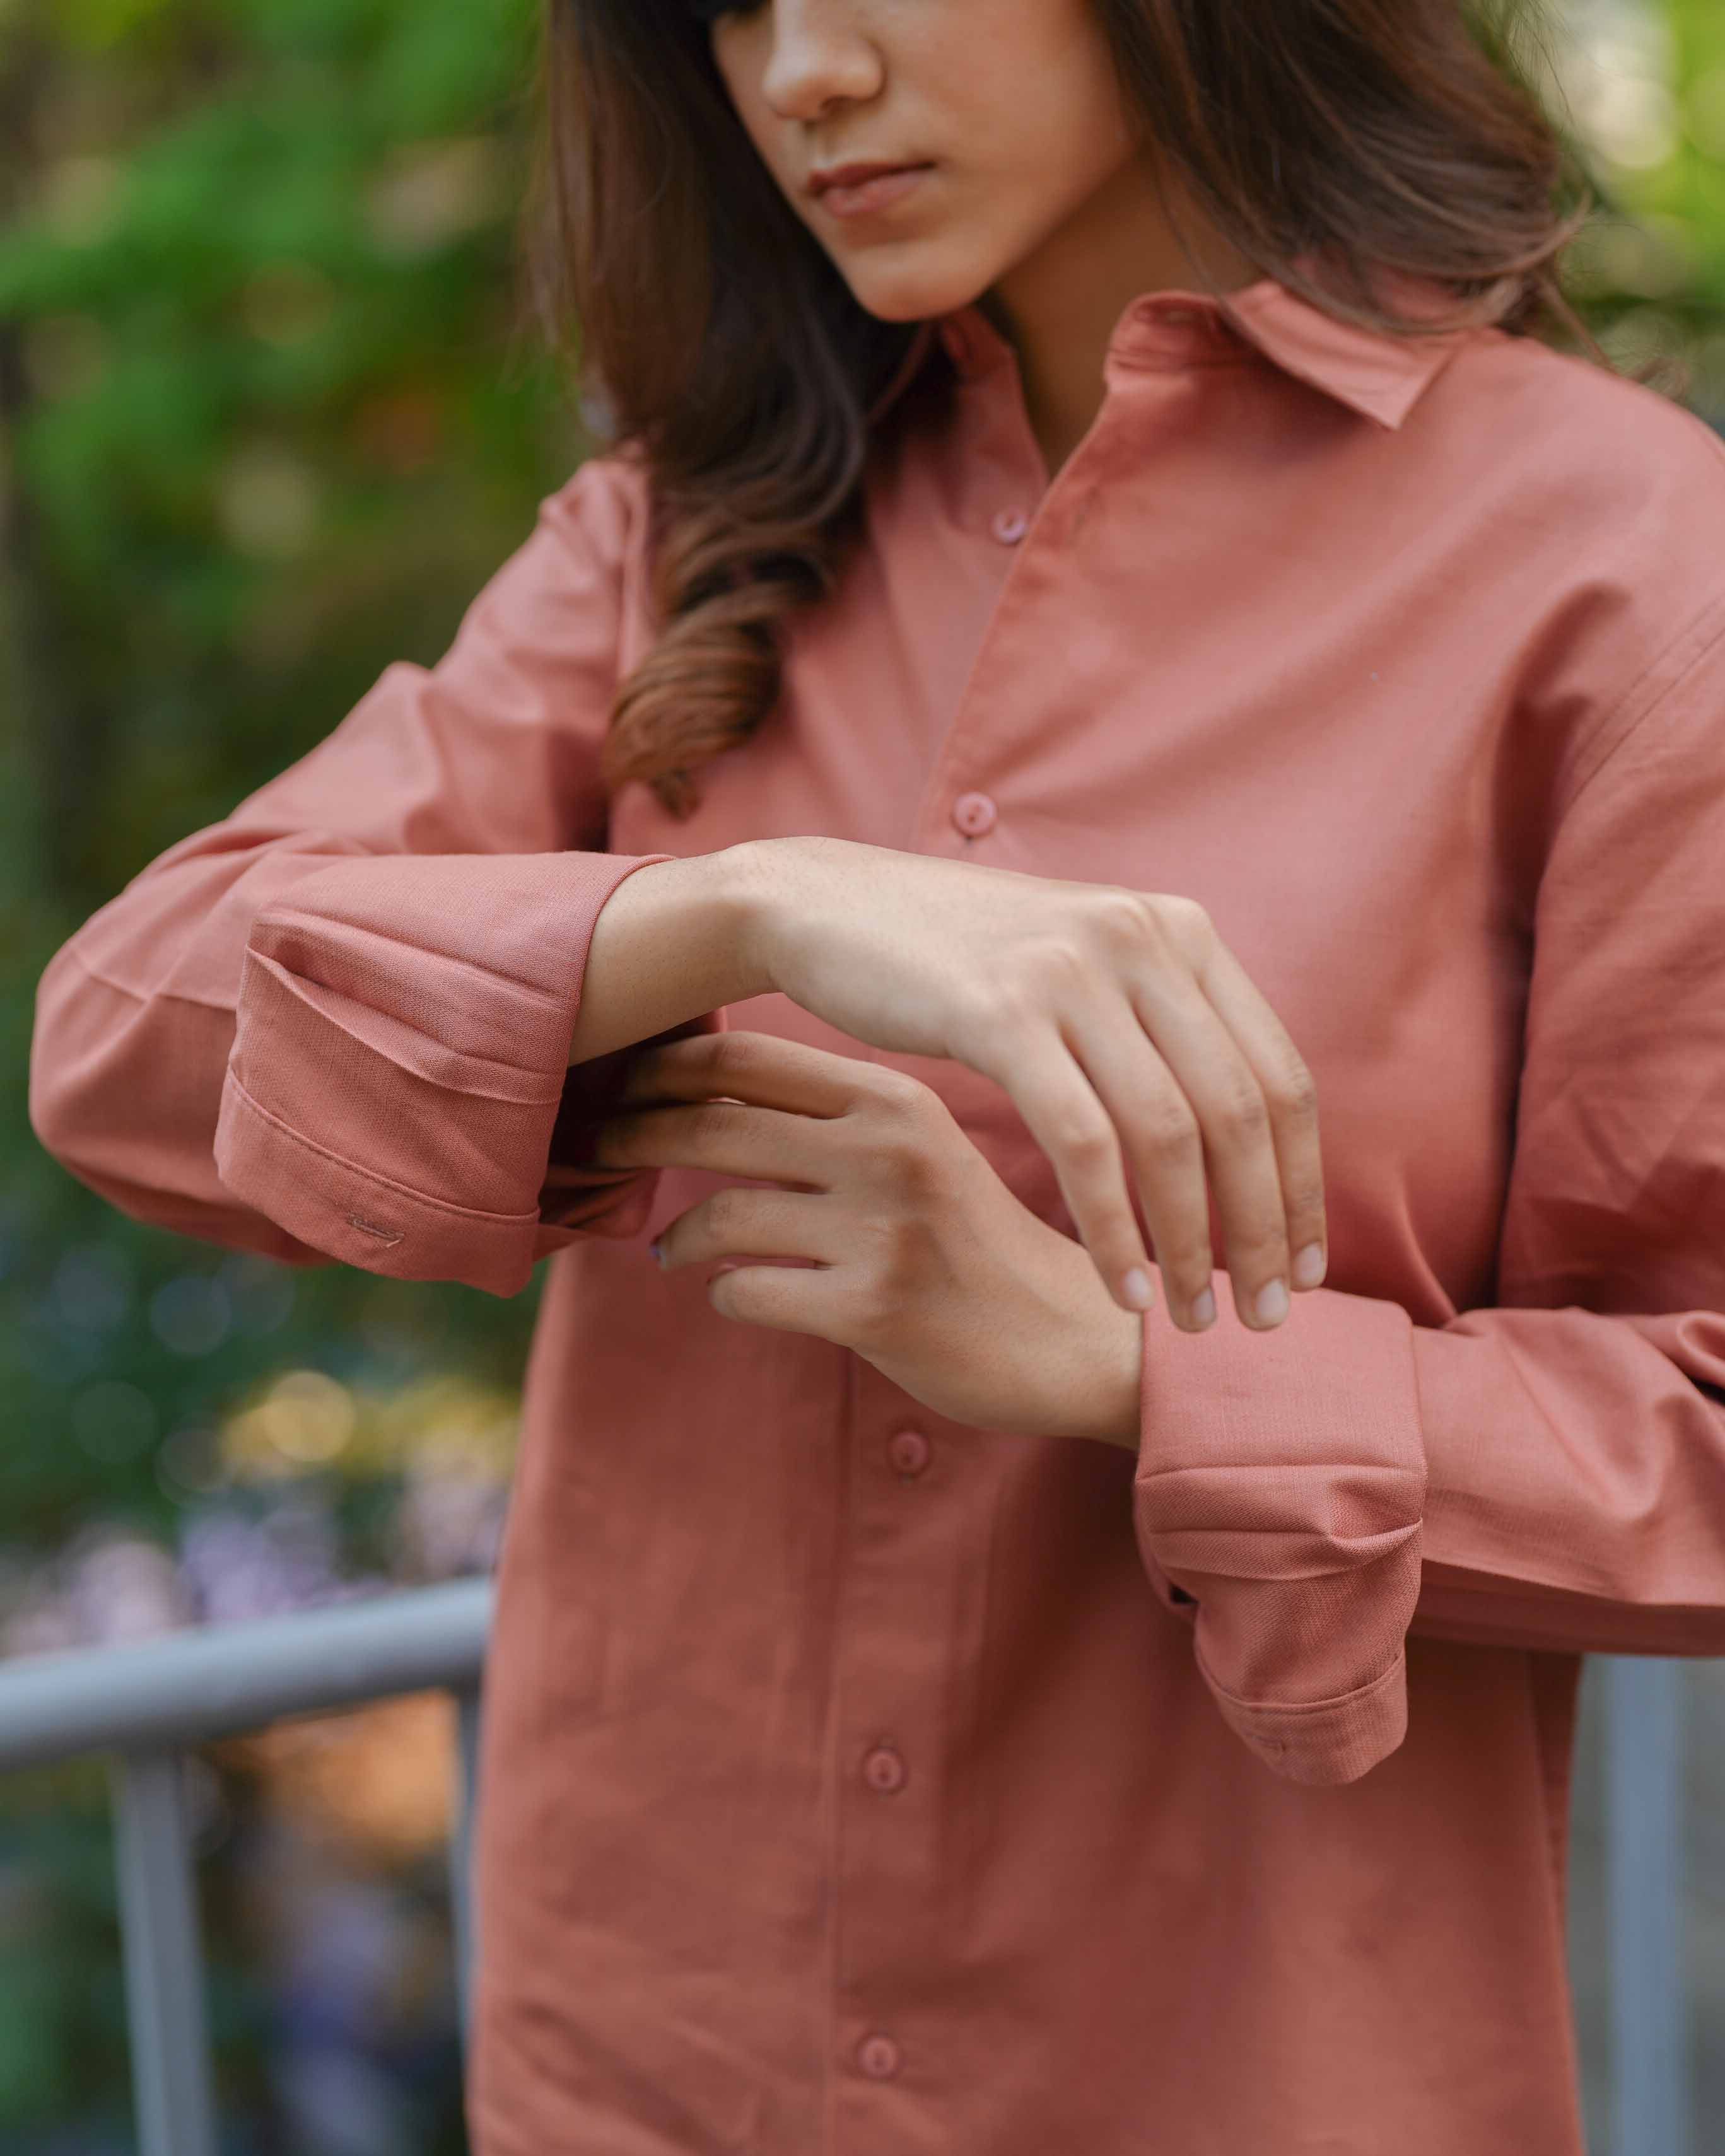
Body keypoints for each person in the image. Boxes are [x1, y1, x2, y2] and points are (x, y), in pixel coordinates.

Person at [27, 0, 1725, 2147]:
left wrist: (1135, 1364)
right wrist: (740, 909)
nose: (799, 72)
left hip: (1238, 2078)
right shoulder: (672, 539)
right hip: (641, 2072)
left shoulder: (1629, 575)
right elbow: (121, 1034)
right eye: (726, 9)